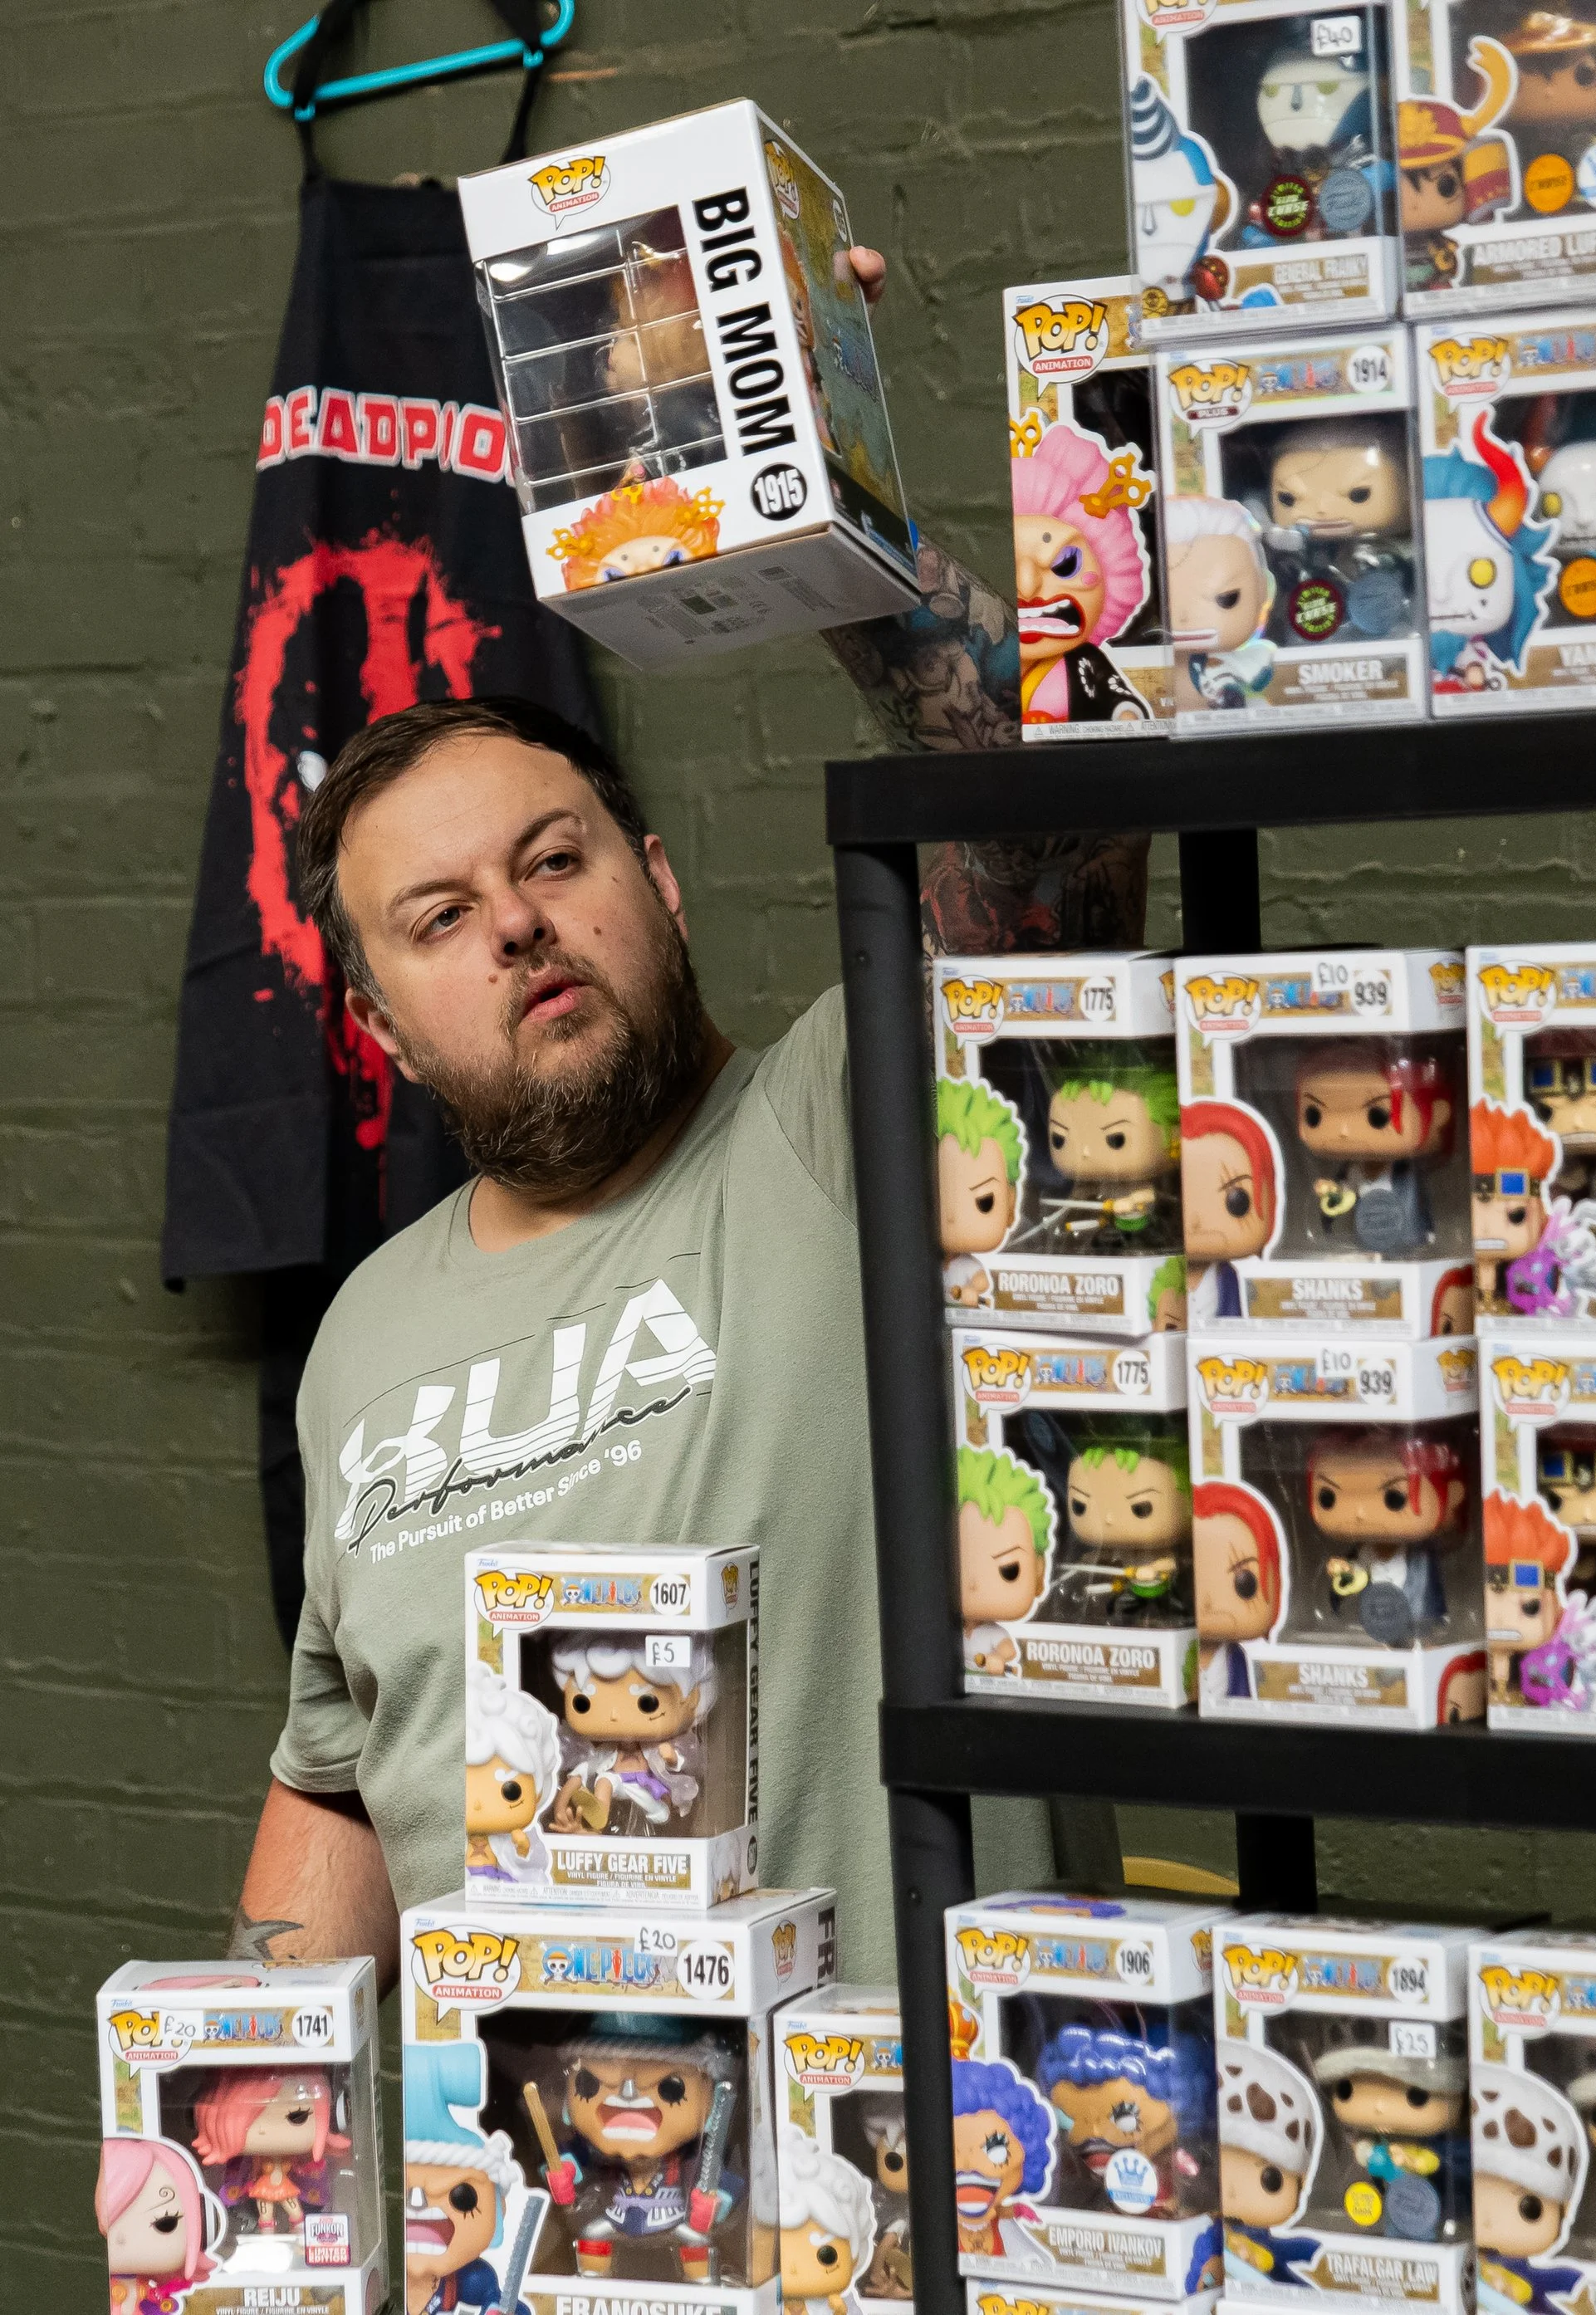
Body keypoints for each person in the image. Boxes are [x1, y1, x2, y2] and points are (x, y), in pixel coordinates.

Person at [229, 257, 1148, 1982]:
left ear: (652, 881)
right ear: (379, 1023)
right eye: (437, 918)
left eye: (554, 860)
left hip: (910, 2206)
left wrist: (810, 491)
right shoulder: (362, 1333)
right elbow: (341, 1774)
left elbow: (1047, 828)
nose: (512, 922)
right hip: (531, 2213)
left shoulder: (846, 1122)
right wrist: (259, 2194)